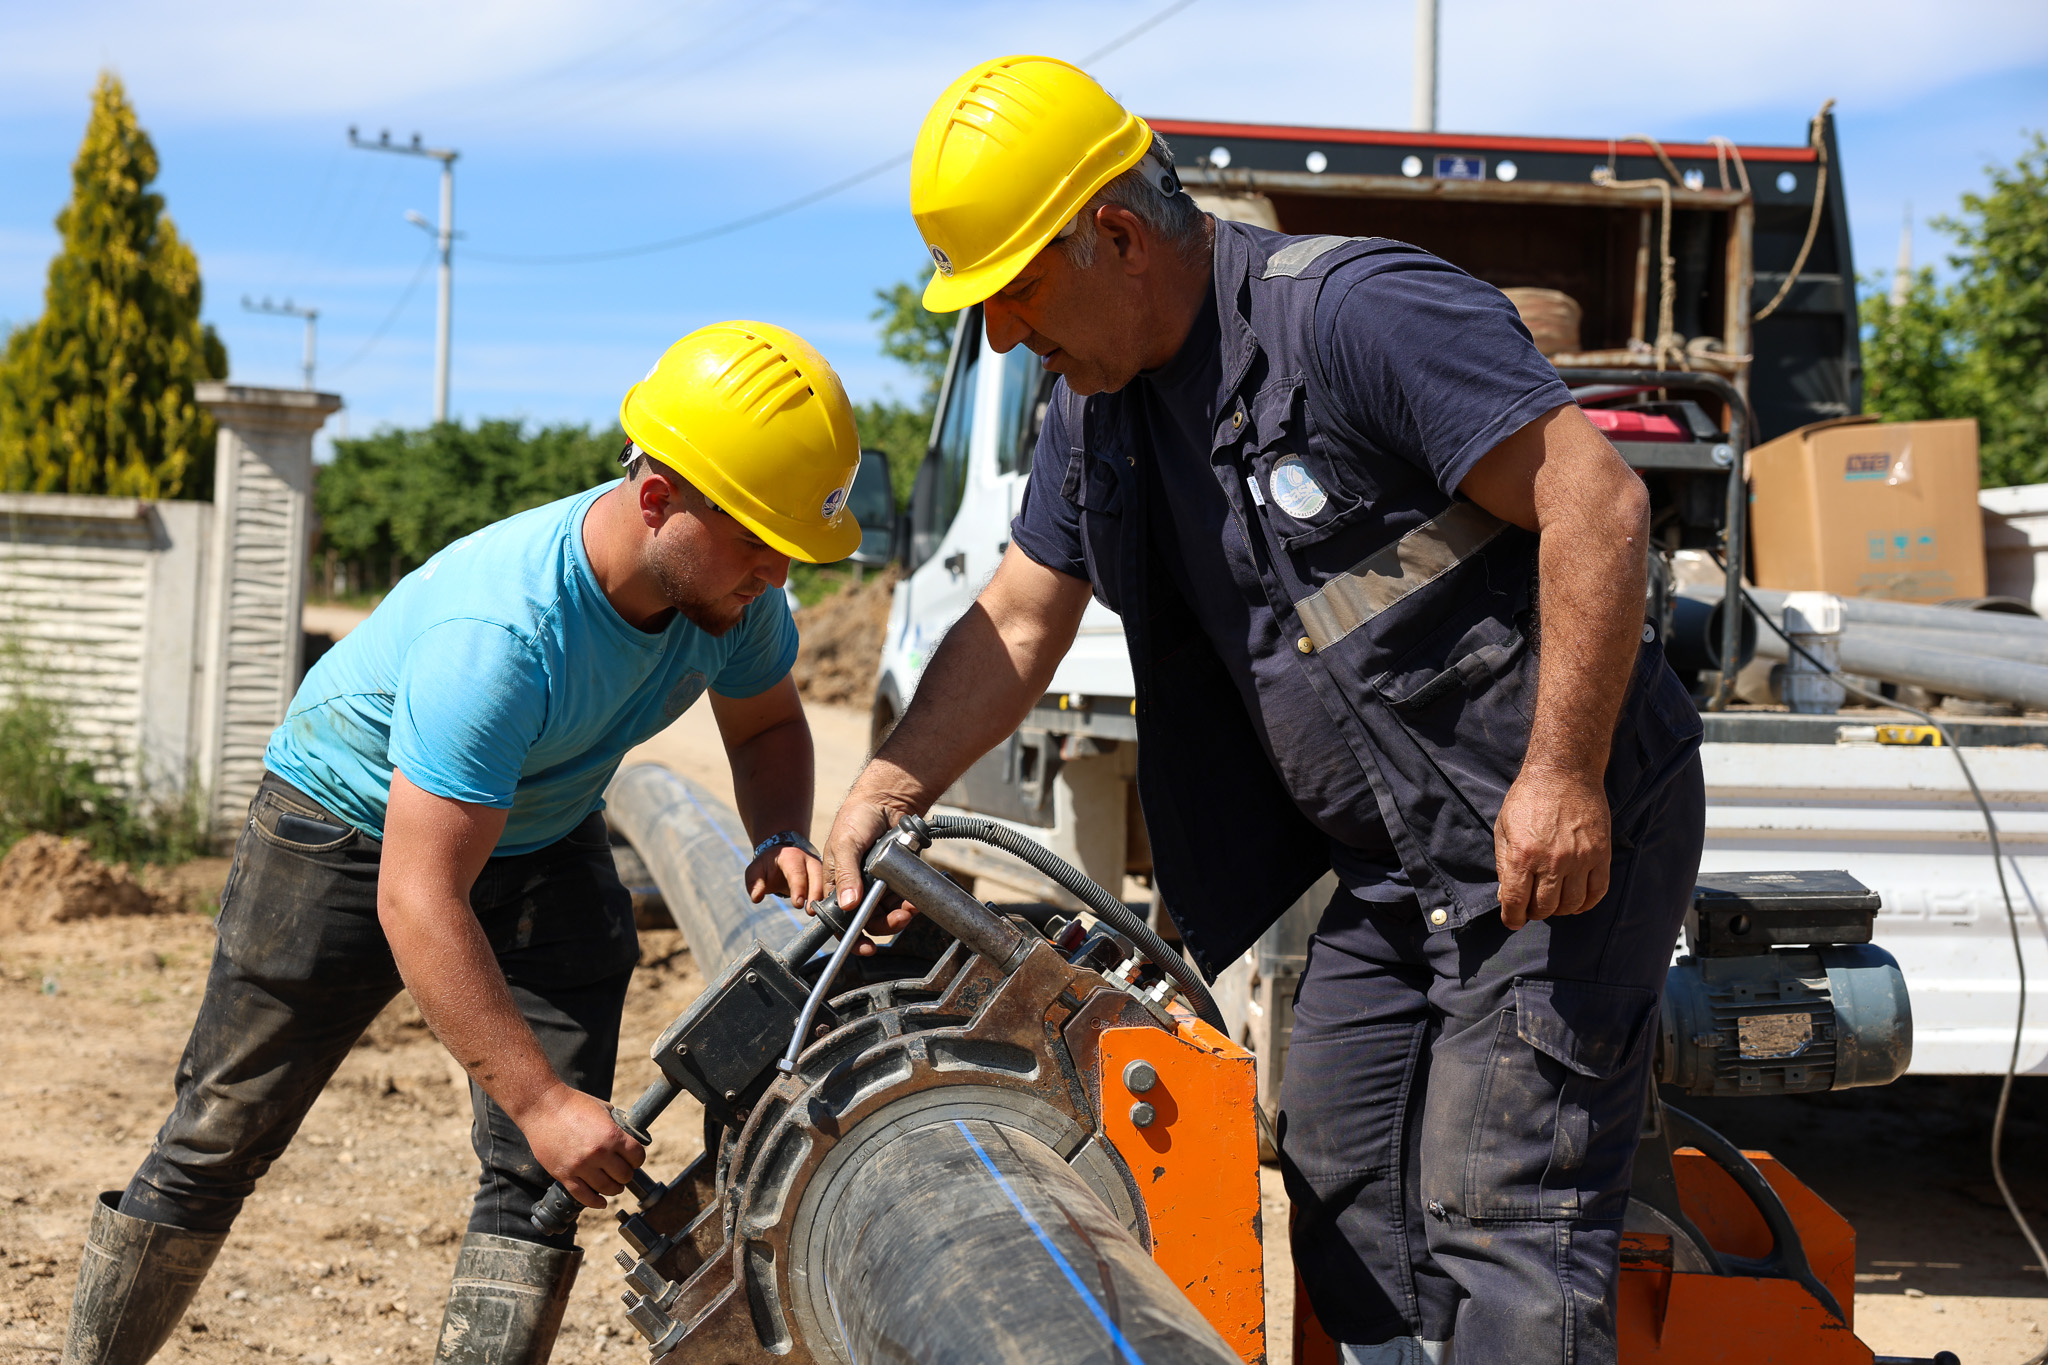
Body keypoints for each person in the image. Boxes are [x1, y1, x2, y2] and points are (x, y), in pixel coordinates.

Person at [823, 56, 1706, 1365]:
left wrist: (1564, 777)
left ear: (1116, 235)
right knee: (1339, 1169)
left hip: (1544, 845)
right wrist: (887, 785)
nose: (1003, 334)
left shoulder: (1356, 317)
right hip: (1397, 868)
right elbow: (1018, 619)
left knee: (1499, 1206)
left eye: (1010, 290)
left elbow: (1600, 505)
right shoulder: (1095, 415)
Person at [64, 321, 864, 1365]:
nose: (774, 570)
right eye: (758, 537)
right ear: (659, 497)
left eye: (790, 547)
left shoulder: (733, 594)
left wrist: (780, 832)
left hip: (539, 823)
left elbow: (763, 724)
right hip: (342, 830)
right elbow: (417, 897)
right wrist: (531, 1099)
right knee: (221, 1136)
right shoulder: (502, 640)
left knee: (552, 1169)